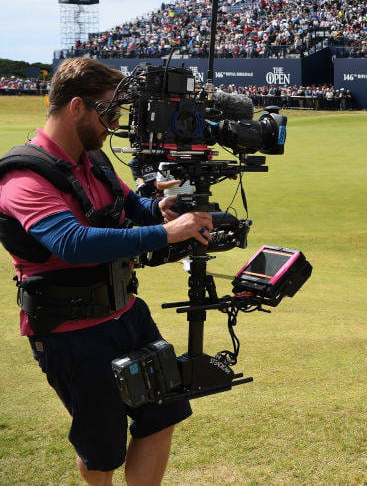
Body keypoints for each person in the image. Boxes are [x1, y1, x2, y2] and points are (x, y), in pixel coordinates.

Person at [0, 58, 214, 484]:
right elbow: (71, 242)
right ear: (76, 107)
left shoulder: (95, 158)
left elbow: (131, 209)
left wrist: (161, 210)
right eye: (109, 110)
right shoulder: (23, 175)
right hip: (71, 332)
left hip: (127, 312)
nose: (116, 122)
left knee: (162, 417)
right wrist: (166, 232)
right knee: (102, 449)